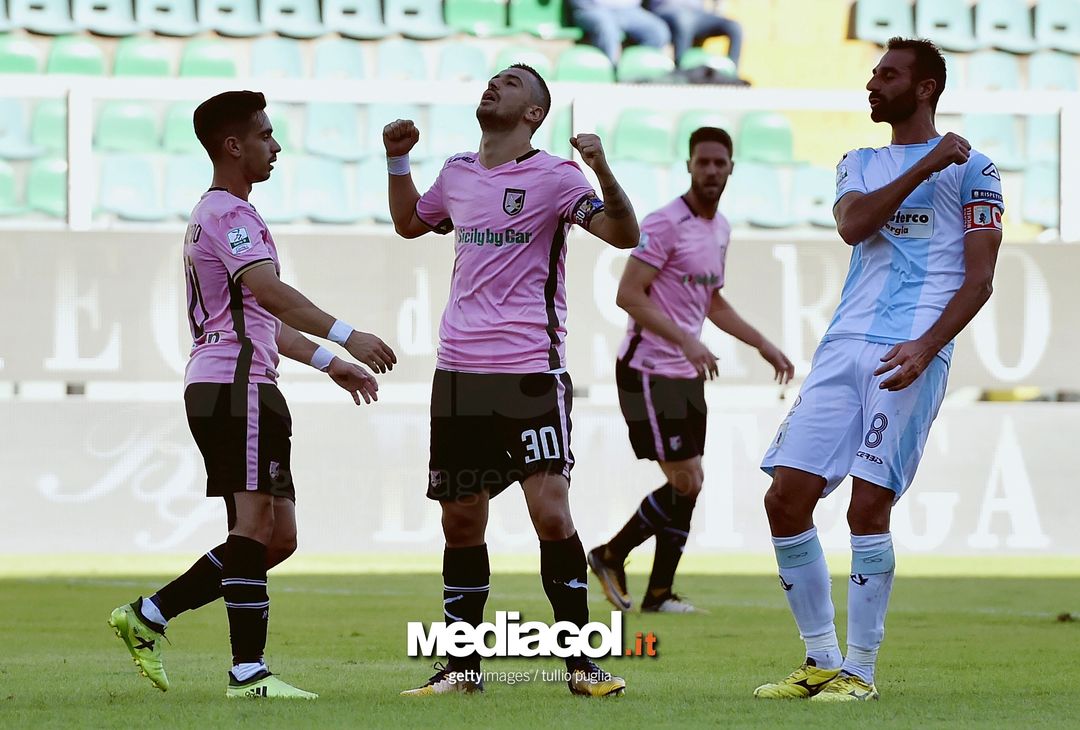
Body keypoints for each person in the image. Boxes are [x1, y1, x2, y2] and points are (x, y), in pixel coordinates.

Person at [108, 90, 396, 700]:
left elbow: (260, 313)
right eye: (265, 134)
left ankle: (149, 615)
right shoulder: (227, 215)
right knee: (253, 524)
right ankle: (248, 674)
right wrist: (349, 334)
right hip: (232, 385)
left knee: (276, 537)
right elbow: (270, 291)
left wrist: (329, 362)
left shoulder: (232, 213)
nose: (276, 144)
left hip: (251, 384)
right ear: (233, 146)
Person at [754, 37, 1004, 702]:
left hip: (909, 348)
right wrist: (924, 167)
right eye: (872, 73)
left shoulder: (978, 168)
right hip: (843, 348)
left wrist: (926, 347)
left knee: (868, 506)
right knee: (785, 497)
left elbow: (979, 281)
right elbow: (854, 226)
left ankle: (860, 673)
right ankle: (819, 660)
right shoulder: (858, 162)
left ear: (924, 88)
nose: (872, 84)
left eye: (887, 75)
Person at [383, 64, 640, 697]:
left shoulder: (556, 176)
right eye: (493, 78)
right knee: (460, 523)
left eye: (513, 83)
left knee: (550, 513)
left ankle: (581, 665)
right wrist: (396, 160)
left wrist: (601, 166)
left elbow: (623, 233)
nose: (494, 85)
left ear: (534, 113)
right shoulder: (457, 173)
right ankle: (461, 668)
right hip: (459, 373)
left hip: (529, 371)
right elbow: (411, 223)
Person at [589, 126, 793, 615]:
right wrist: (687, 339)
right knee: (687, 481)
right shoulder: (664, 224)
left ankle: (658, 594)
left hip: (684, 372)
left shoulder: (719, 228)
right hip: (646, 370)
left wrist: (762, 343)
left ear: (731, 169)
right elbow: (628, 294)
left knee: (691, 481)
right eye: (702, 162)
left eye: (719, 163)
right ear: (688, 166)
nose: (711, 171)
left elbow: (712, 300)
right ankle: (610, 554)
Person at [570, 0, 671, 65]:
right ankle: (611, 73)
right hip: (592, 8)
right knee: (607, 27)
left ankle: (634, 70)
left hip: (628, 10)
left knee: (658, 31)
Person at [649, 0, 743, 67]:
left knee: (735, 27)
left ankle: (731, 75)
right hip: (667, 10)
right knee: (684, 21)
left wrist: (715, 13)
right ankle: (681, 72)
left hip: (697, 13)